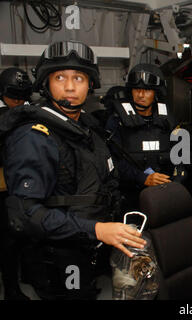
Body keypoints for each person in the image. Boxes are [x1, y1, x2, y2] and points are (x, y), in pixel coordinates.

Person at [1, 40, 146, 300]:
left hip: (89, 249)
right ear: (45, 84)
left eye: (78, 78)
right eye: (60, 77)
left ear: (90, 84)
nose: (70, 87)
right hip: (59, 258)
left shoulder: (88, 129)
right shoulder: (35, 136)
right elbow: (24, 214)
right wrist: (97, 230)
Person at [104, 63, 183, 214]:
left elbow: (181, 152)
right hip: (130, 196)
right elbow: (110, 161)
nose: (140, 95)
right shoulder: (116, 120)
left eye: (147, 90)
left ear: (156, 93)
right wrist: (142, 178)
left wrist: (178, 177)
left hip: (164, 192)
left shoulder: (167, 118)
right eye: (136, 89)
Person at [0, 67, 33, 300]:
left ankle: (22, 280)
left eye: (23, 97)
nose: (18, 102)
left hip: (22, 184)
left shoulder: (26, 111)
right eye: (14, 97)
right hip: (3, 187)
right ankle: (11, 289)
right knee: (7, 240)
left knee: (20, 237)